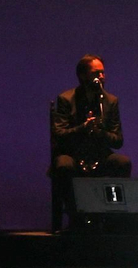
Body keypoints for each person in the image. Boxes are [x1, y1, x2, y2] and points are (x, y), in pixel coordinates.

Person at [50, 54, 131, 197]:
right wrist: (83, 128)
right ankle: (74, 209)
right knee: (63, 165)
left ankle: (115, 210)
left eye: (102, 72)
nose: (100, 77)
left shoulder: (111, 101)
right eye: (95, 73)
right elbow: (59, 135)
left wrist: (100, 133)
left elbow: (118, 140)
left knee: (122, 163)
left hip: (99, 156)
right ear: (82, 76)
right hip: (73, 155)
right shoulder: (66, 99)